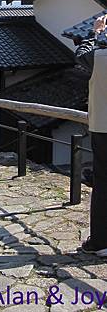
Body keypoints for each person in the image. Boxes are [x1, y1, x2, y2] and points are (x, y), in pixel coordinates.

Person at [75, 13, 107, 257]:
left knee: (103, 184)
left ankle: (100, 242)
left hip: (103, 127)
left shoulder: (99, 57)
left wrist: (96, 33)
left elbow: (80, 55)